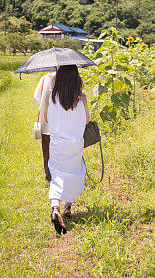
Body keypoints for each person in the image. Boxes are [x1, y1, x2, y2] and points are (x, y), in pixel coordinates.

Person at [37, 64, 89, 234]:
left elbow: (46, 118)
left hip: (57, 144)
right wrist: (85, 102)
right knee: (74, 173)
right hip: (75, 145)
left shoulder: (51, 96)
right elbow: (86, 122)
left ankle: (55, 209)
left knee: (57, 175)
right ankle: (67, 208)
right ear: (76, 80)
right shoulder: (79, 98)